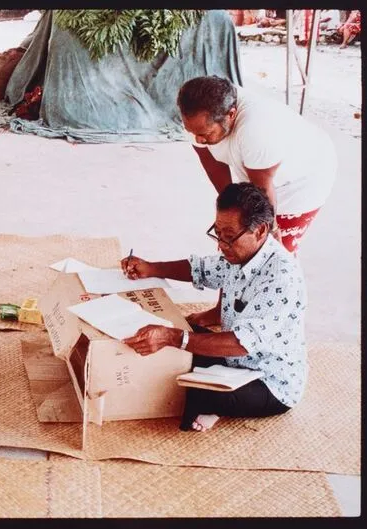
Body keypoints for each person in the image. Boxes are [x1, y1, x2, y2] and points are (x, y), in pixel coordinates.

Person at [120, 183, 307, 432]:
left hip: (268, 380)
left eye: (229, 236)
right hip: (233, 362)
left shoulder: (282, 277)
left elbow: (241, 344)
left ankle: (214, 404)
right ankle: (210, 388)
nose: (221, 245)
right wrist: (151, 267)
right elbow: (201, 269)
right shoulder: (239, 253)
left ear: (260, 231)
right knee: (180, 338)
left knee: (191, 391)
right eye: (217, 233)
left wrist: (173, 338)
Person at [177, 75, 337, 256]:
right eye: (192, 132)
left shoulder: (256, 129)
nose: (198, 139)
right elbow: (213, 165)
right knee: (236, 249)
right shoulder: (196, 116)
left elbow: (262, 190)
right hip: (258, 169)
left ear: (231, 115)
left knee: (270, 256)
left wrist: (272, 232)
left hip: (303, 178)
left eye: (205, 134)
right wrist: (230, 210)